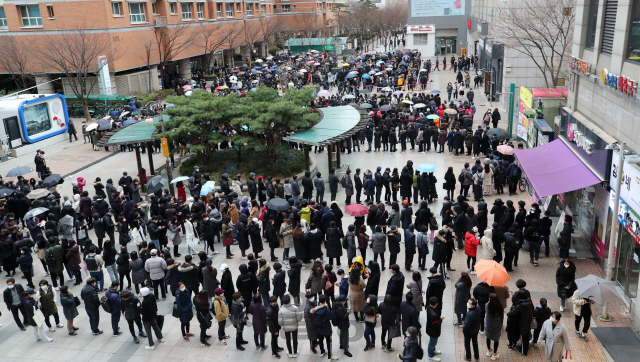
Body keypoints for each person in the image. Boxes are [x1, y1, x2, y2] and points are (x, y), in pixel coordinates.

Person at [506, 289, 534, 356]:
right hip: (528, 321)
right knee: (526, 335)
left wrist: (508, 313)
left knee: (523, 338)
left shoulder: (520, 305)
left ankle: (524, 351)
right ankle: (525, 347)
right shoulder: (530, 302)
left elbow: (511, 313)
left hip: (522, 324)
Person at [311, 294, 338, 360]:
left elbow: (312, 317)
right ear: (325, 301)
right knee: (328, 341)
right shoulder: (326, 309)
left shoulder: (315, 308)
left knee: (320, 339)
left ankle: (322, 351)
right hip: (326, 327)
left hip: (319, 327)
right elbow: (330, 317)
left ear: (319, 300)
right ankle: (330, 356)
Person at [485, 293, 504, 361]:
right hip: (497, 326)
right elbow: (502, 317)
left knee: (488, 337)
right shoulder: (500, 307)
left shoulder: (487, 305)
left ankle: (489, 351)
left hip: (489, 325)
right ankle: (494, 354)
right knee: (496, 340)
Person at [426, 296, 443, 361]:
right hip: (433, 331)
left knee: (433, 342)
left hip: (430, 328)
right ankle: (431, 355)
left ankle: (433, 350)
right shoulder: (433, 315)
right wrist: (441, 319)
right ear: (436, 303)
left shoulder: (428, 308)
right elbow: (437, 325)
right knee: (432, 343)